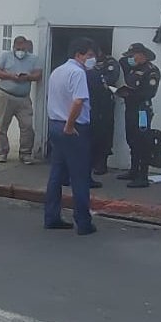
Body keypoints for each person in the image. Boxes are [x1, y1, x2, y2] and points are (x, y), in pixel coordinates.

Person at [43, 37, 97, 236]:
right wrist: (70, 124)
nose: (92, 60)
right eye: (89, 56)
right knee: (80, 176)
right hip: (72, 129)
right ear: (79, 55)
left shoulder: (58, 71)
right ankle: (83, 222)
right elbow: (78, 102)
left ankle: (51, 216)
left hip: (55, 125)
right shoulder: (77, 72)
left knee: (57, 174)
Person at [0, 36, 42, 164]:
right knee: (2, 126)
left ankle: (25, 153)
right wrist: (10, 76)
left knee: (27, 126)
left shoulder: (33, 59)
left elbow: (38, 75)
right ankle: (2, 152)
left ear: (27, 47)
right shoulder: (6, 56)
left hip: (23, 98)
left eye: (23, 48)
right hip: (6, 95)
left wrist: (28, 77)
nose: (21, 51)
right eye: (18, 48)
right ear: (13, 47)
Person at [117, 43, 161, 188]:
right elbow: (122, 62)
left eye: (133, 55)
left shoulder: (151, 71)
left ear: (142, 54)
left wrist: (129, 94)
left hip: (142, 111)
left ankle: (143, 176)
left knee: (143, 141)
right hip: (131, 109)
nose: (130, 58)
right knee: (132, 139)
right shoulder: (133, 68)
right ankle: (134, 170)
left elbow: (150, 93)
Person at [86, 46, 120, 186]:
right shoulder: (83, 67)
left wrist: (99, 82)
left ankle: (101, 163)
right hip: (91, 104)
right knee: (91, 135)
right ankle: (90, 164)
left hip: (105, 104)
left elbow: (110, 79)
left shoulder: (110, 63)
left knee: (104, 134)